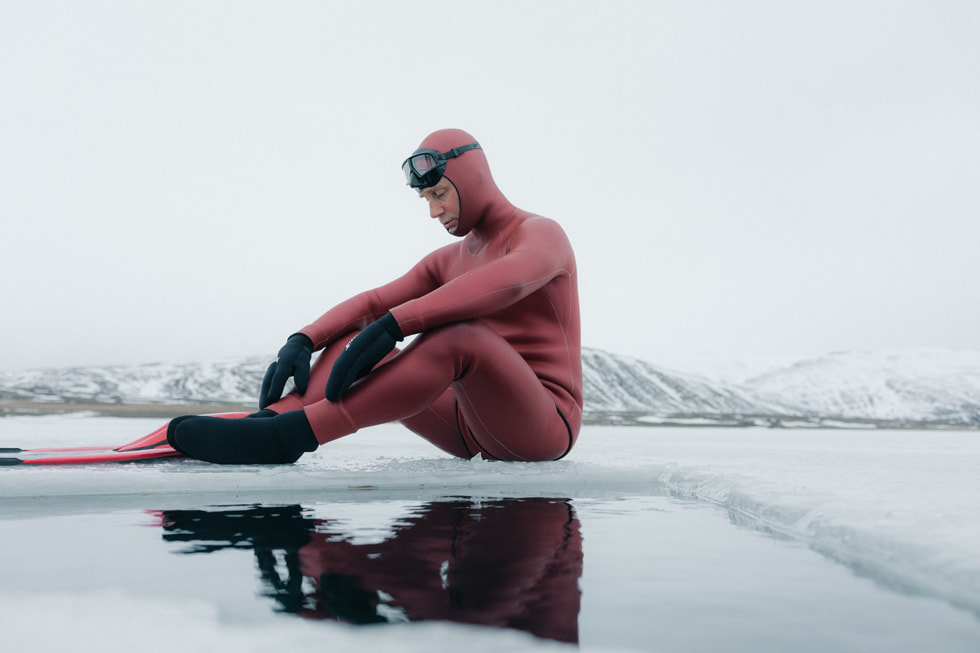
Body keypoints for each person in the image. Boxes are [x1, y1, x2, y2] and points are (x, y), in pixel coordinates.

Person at [167, 128, 582, 464]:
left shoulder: (541, 234)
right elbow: (371, 305)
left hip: (543, 427)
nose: (434, 212)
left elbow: (508, 282)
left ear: (471, 179)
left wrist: (398, 324)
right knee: (355, 338)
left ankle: (287, 438)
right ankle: (269, 422)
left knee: (461, 336)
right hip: (465, 425)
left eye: (439, 195)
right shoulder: (447, 259)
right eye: (426, 200)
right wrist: (304, 340)